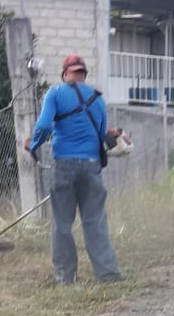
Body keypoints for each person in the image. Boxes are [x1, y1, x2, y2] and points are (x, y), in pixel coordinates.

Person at [25, 54, 123, 284]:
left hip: (64, 166)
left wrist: (33, 144)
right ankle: (108, 274)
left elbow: (43, 126)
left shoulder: (56, 93)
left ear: (65, 73)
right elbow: (102, 136)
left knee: (62, 223)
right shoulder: (98, 99)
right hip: (91, 166)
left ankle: (65, 277)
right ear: (84, 74)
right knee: (95, 220)